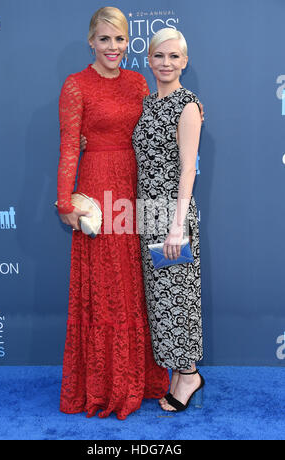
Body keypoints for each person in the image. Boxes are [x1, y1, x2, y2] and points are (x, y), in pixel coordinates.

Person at [57, 7, 170, 420]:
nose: (113, 47)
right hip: (97, 189)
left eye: (119, 39)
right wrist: (66, 201)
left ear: (128, 42)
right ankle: (105, 384)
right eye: (104, 39)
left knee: (136, 279)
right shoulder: (76, 85)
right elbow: (70, 145)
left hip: (134, 186)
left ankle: (138, 378)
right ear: (91, 41)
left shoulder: (139, 81)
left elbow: (156, 129)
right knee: (105, 282)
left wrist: (190, 116)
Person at [132, 28, 204, 412]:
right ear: (149, 60)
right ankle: (178, 374)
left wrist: (177, 224)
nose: (166, 63)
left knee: (180, 297)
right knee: (161, 300)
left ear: (185, 62)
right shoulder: (146, 105)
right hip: (147, 213)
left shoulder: (187, 104)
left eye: (174, 56)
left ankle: (189, 374)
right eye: (160, 56)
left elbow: (188, 170)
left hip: (173, 213)